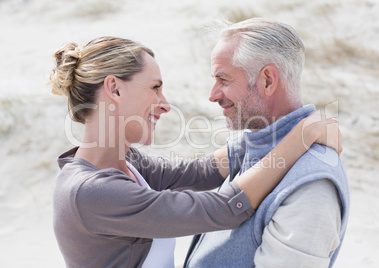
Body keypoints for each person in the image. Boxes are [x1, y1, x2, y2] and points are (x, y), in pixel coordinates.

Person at [49, 36, 341, 268]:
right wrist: (302, 136)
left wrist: (276, 127)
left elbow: (202, 172)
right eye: (155, 88)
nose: (165, 103)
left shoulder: (124, 164)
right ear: (114, 89)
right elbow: (224, 209)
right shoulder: (92, 193)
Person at [183, 18, 349, 268]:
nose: (213, 95)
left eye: (224, 80)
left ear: (268, 80)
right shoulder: (251, 150)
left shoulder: (313, 184)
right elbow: (175, 176)